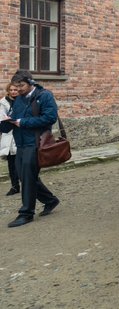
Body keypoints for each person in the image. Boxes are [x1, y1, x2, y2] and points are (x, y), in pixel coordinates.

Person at [1, 71, 60, 227]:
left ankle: (26, 213)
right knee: (24, 176)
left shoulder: (44, 96)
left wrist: (23, 122)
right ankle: (50, 200)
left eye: (21, 86)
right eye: (16, 86)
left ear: (31, 83)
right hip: (20, 143)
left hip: (36, 143)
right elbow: (15, 118)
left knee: (27, 178)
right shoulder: (18, 99)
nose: (18, 89)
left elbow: (50, 118)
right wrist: (7, 122)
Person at [1, 82, 20, 196]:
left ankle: (27, 184)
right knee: (11, 163)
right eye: (11, 90)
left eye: (15, 90)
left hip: (19, 134)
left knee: (21, 162)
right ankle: (14, 186)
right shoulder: (3, 103)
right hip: (8, 134)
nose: (13, 92)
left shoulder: (23, 102)